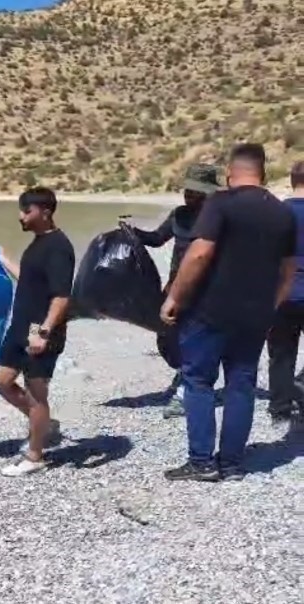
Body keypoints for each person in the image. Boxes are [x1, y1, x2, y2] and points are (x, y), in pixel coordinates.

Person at [159, 143, 297, 482]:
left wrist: (174, 296)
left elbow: (199, 254)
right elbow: (288, 270)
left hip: (211, 311)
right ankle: (233, 464)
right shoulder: (281, 212)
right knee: (241, 384)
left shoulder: (221, 203)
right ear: (263, 172)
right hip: (255, 315)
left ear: (230, 173)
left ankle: (202, 461)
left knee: (199, 381)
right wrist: (271, 306)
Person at [125, 164, 223, 418]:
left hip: (205, 292)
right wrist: (133, 233)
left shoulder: (218, 219)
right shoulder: (178, 215)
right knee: (165, 338)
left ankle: (187, 392)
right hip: (173, 290)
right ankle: (184, 373)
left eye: (195, 192)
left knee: (193, 340)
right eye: (188, 190)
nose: (189, 195)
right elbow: (157, 238)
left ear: (208, 194)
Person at [0, 187, 75, 477]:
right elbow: (28, 280)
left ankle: (35, 455)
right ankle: (44, 424)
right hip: (21, 327)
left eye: (27, 211)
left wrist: (44, 332)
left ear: (45, 212)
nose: (21, 216)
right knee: (1, 379)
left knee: (37, 393)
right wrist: (4, 261)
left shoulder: (59, 247)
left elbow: (62, 296)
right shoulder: (39, 243)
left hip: (40, 332)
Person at [266, 161, 304, 423]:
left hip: (282, 293)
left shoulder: (276, 213)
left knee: (281, 352)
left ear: (292, 180)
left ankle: (279, 408)